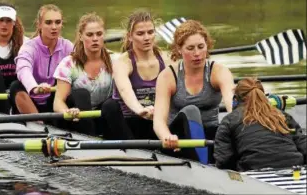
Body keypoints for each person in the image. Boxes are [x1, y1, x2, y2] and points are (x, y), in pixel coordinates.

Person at [152, 20, 235, 164]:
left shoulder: (219, 71)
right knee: (191, 110)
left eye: (201, 47)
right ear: (179, 49)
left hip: (209, 136)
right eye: (190, 48)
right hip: (178, 141)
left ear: (207, 46)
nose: (197, 53)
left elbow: (232, 106)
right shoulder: (168, 76)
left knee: (229, 124)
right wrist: (167, 136)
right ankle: (205, 167)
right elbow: (158, 121)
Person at [100, 9, 168, 140]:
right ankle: (133, 151)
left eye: (150, 32)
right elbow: (125, 91)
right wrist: (140, 110)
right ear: (130, 36)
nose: (147, 38)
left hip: (157, 123)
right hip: (128, 124)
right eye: (140, 34)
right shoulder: (122, 63)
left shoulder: (167, 59)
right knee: (109, 105)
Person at [214, 77, 306, 171]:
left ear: (235, 99)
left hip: (253, 170)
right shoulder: (283, 116)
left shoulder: (229, 120)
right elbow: (304, 147)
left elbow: (224, 161)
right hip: (294, 166)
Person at [52, 12, 113, 136]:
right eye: (89, 35)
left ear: (103, 35)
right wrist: (67, 111)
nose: (95, 39)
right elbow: (58, 102)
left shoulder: (114, 62)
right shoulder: (69, 64)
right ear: (80, 36)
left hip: (101, 116)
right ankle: (90, 136)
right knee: (81, 93)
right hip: (75, 120)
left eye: (99, 34)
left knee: (112, 104)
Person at [10, 4, 73, 122]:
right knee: (15, 86)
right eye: (48, 23)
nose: (54, 27)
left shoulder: (67, 46)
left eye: (57, 22)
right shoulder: (29, 47)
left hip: (54, 100)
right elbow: (23, 68)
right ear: (39, 25)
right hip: (31, 99)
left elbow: (82, 63)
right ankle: (39, 125)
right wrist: (35, 87)